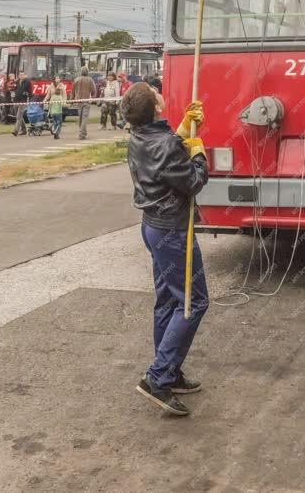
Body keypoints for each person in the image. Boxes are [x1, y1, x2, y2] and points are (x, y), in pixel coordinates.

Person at [122, 82, 208, 417]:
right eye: (155, 93)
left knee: (169, 300)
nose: (160, 92)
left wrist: (184, 129)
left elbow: (165, 152)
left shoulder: (140, 136)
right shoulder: (167, 144)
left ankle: (168, 370)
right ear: (157, 108)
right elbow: (193, 181)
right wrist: (197, 149)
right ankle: (157, 377)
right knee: (193, 302)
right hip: (173, 232)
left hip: (153, 228)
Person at [73, 65, 96, 139]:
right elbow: (93, 91)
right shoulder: (90, 80)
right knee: (84, 118)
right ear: (87, 72)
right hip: (86, 101)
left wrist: (71, 100)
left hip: (78, 101)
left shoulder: (76, 80)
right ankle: (81, 134)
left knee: (80, 118)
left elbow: (72, 91)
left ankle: (83, 133)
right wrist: (93, 97)